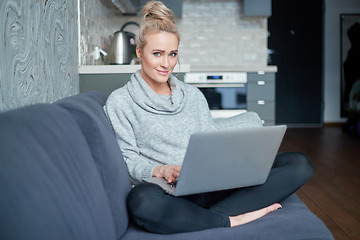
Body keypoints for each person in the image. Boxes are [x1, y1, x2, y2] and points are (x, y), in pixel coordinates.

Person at [104, 1, 313, 234]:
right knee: (141, 201)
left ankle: (202, 218)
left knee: (298, 164)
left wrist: (234, 163)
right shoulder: (120, 101)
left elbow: (211, 142)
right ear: (139, 53)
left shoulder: (192, 95)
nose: (166, 63)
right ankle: (228, 220)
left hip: (212, 186)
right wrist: (160, 169)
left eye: (172, 54)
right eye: (157, 54)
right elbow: (128, 160)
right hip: (168, 193)